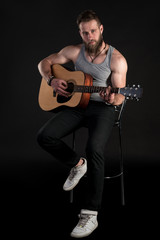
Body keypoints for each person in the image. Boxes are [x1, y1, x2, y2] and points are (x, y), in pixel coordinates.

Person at [37, 9, 128, 238]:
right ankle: (78, 164)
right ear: (80, 32)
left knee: (94, 148)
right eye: (85, 33)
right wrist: (52, 79)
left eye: (93, 31)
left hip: (103, 108)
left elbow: (120, 96)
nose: (90, 37)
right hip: (78, 105)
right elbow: (44, 62)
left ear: (101, 29)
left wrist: (112, 97)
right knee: (44, 136)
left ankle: (90, 213)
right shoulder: (74, 51)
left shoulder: (116, 59)